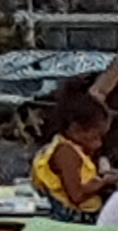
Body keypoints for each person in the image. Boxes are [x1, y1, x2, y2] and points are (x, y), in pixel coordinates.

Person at [32, 81, 112, 216]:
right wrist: (104, 183)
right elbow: (76, 195)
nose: (99, 143)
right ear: (76, 129)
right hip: (74, 216)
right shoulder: (66, 153)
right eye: (95, 136)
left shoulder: (76, 149)